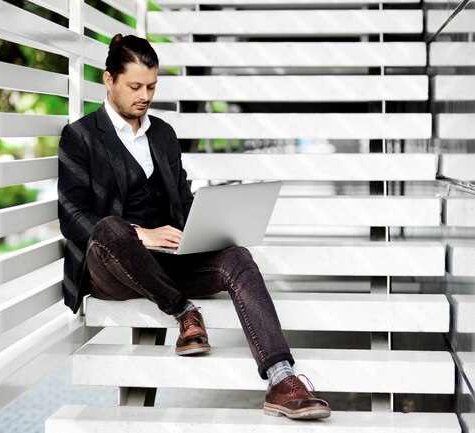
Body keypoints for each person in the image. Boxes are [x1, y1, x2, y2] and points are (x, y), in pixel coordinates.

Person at [57, 33, 331, 420]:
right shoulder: (81, 137)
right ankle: (184, 310)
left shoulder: (164, 135)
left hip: (167, 259)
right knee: (112, 228)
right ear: (108, 80)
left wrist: (209, 225)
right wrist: (141, 234)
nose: (145, 95)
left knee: (237, 257)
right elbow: (71, 216)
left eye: (152, 86)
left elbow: (181, 202)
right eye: (135, 86)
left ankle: (282, 379)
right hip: (113, 264)